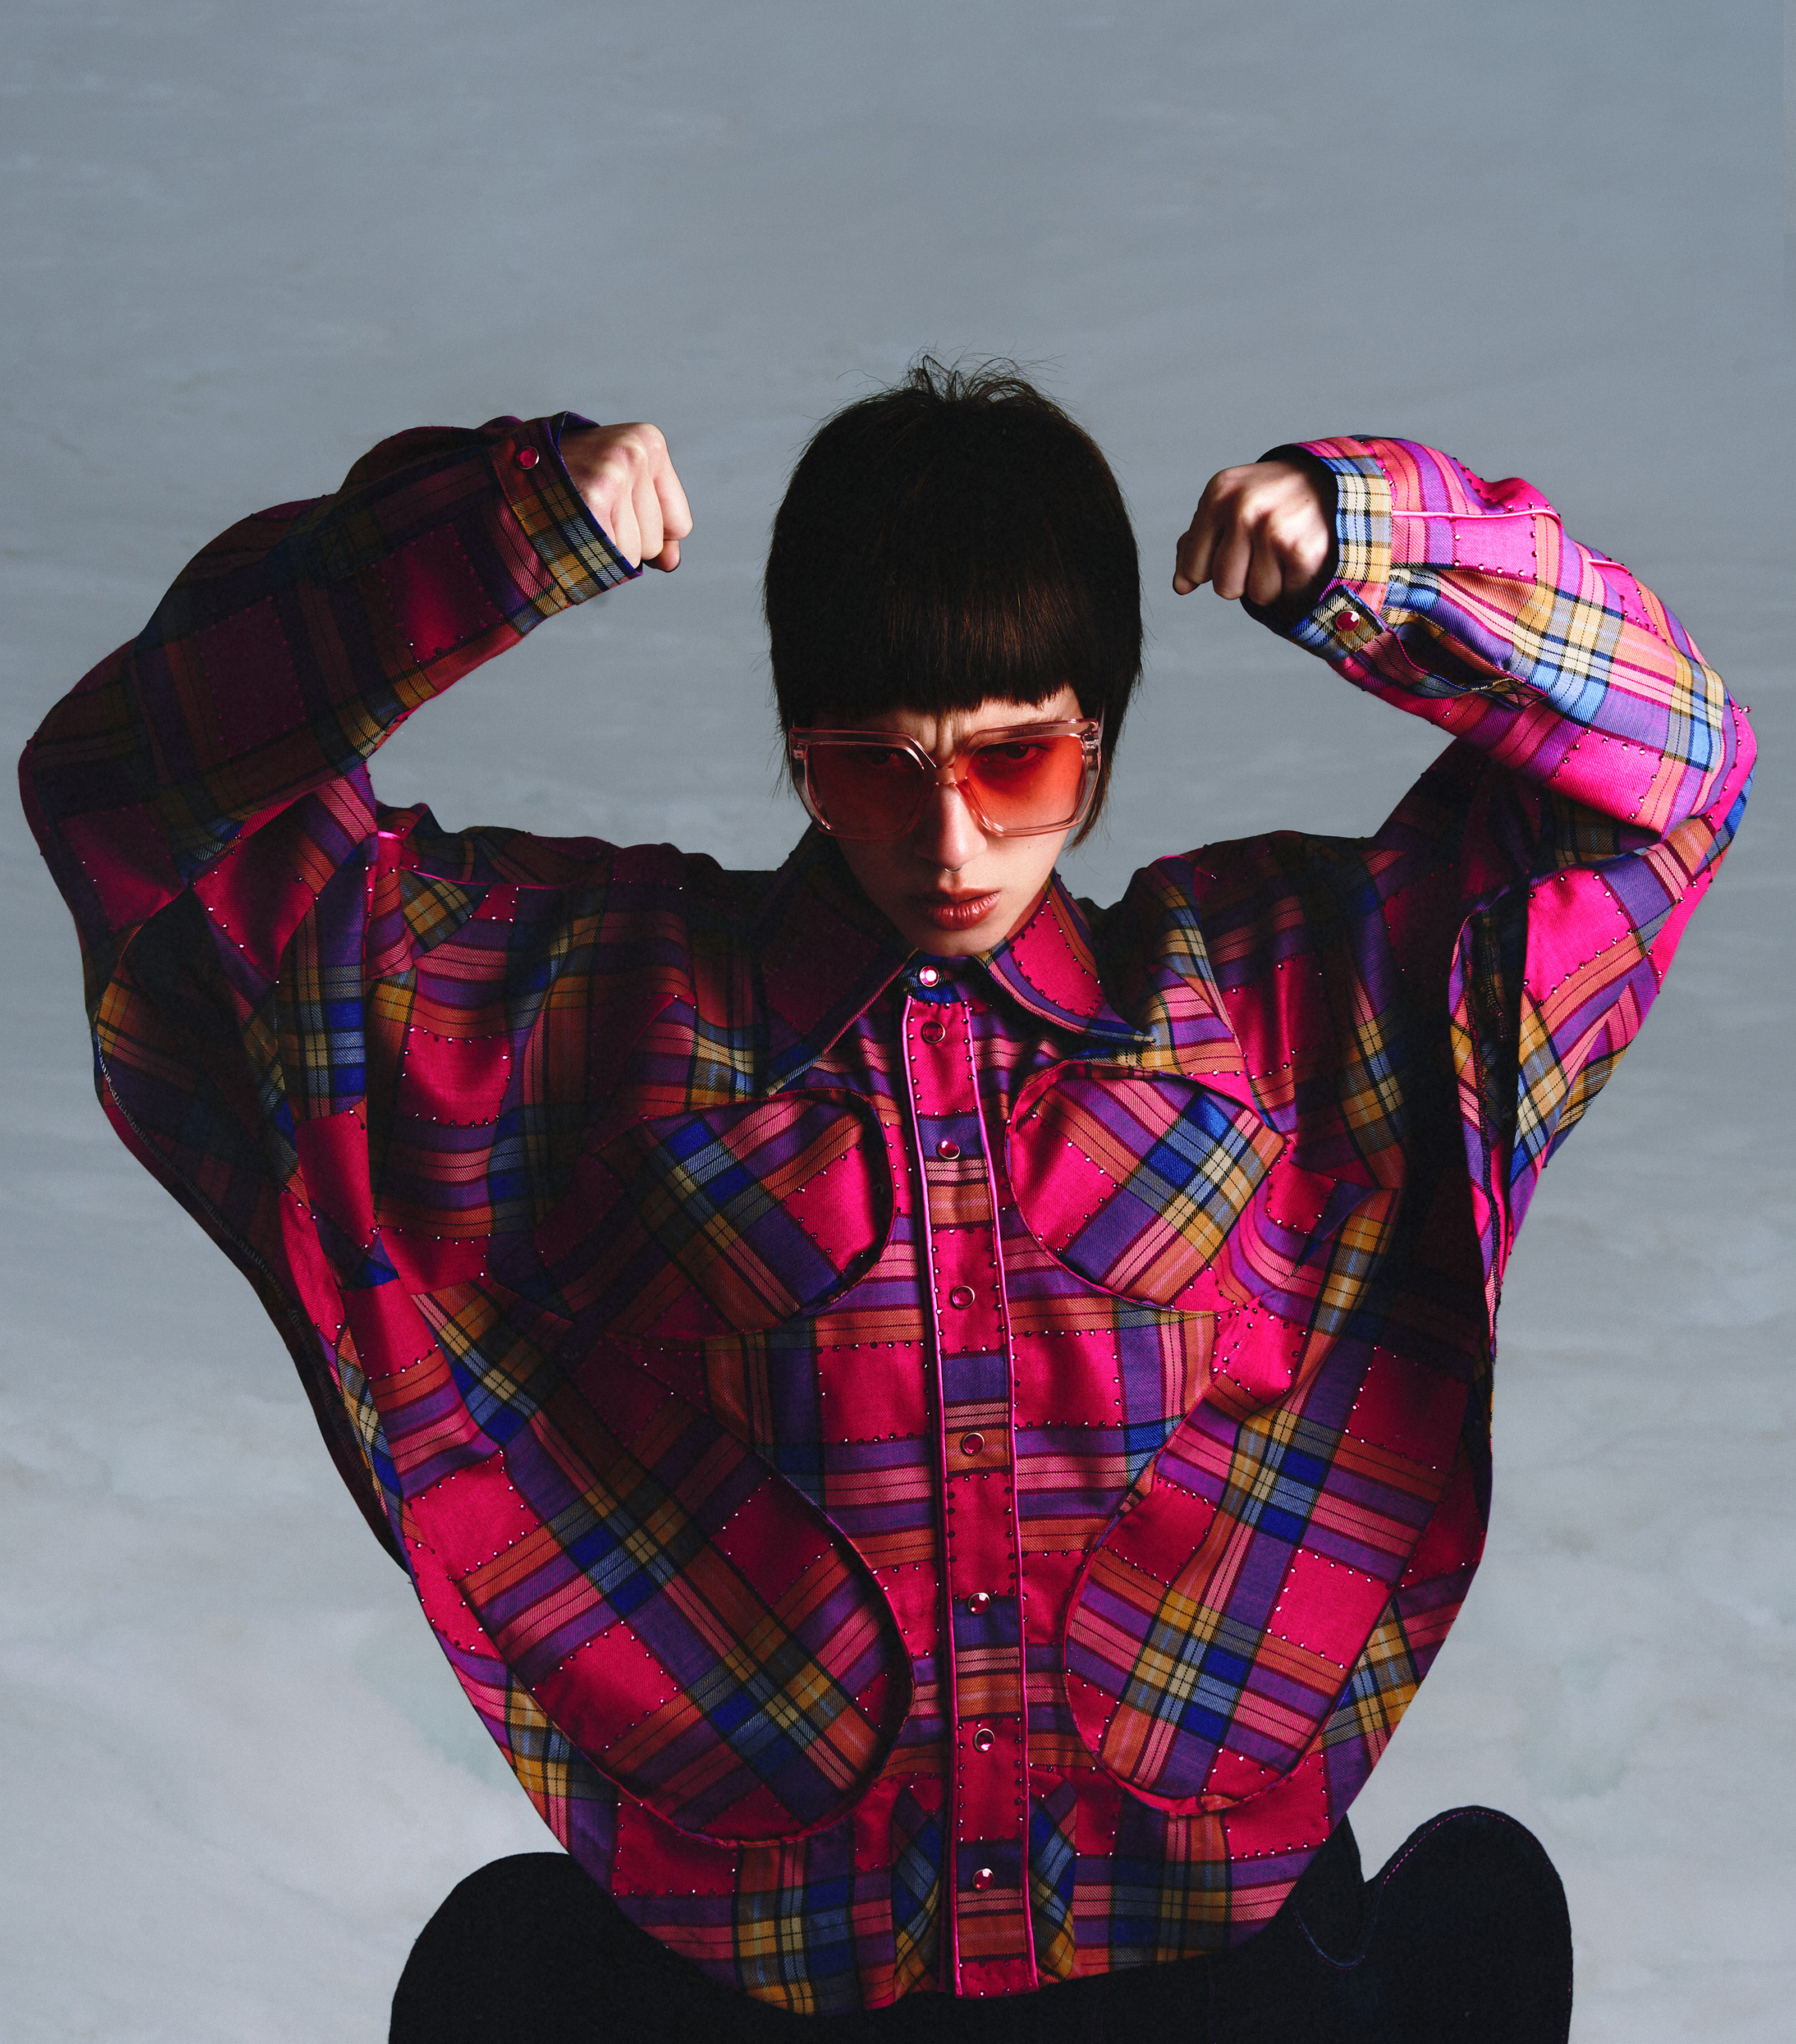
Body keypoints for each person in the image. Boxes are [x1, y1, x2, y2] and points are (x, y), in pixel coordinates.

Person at [20, 364, 1752, 2042]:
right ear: (797, 751)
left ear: (1098, 740)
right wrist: (488, 535)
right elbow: (140, 796)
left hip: (1216, 1972)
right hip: (750, 1988)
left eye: (1016, 764)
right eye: (874, 765)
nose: (949, 841)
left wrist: (1386, 547)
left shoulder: (1274, 1004)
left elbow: (1673, 770)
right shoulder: (607, 1014)